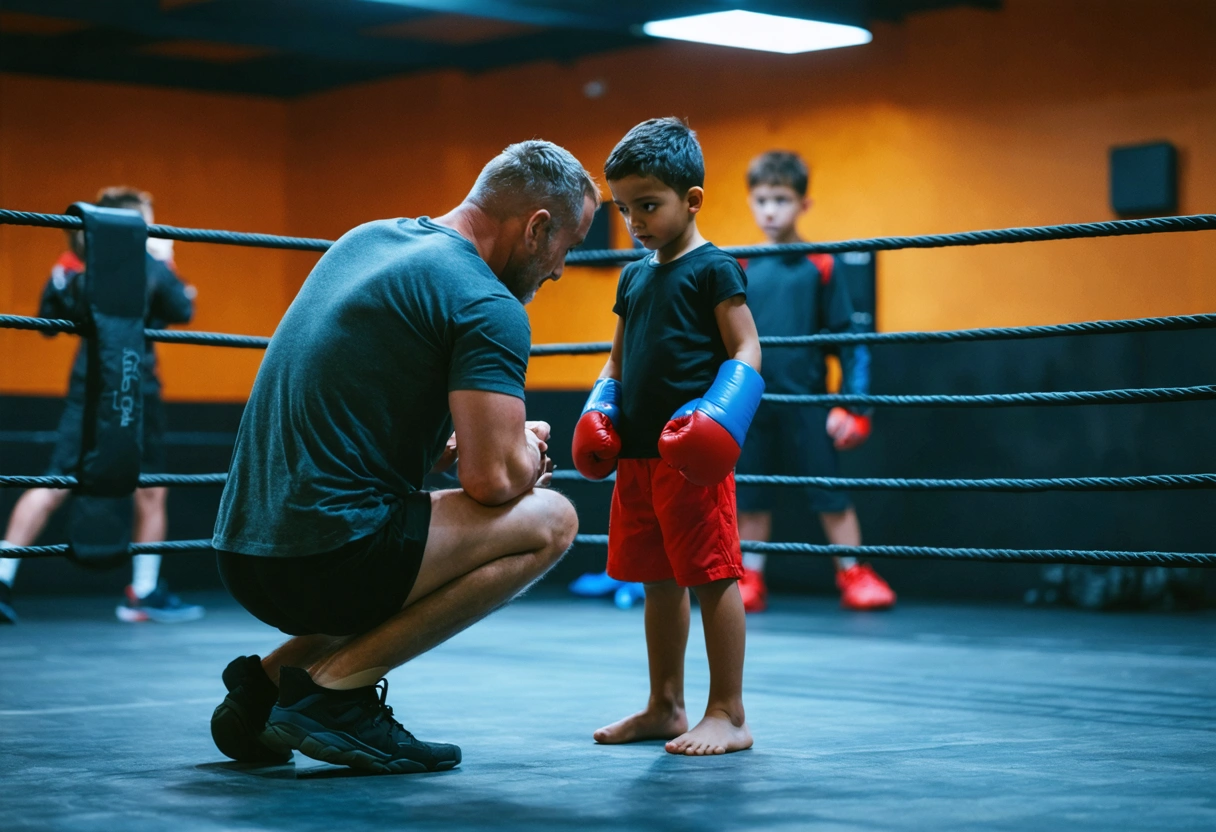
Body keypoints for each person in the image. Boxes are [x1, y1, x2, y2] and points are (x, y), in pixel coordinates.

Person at [209, 140, 596, 774]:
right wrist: (523, 449)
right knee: (551, 520)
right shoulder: (487, 302)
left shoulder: (367, 240)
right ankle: (335, 696)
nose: (559, 269)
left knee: (406, 523)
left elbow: (352, 404)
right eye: (567, 247)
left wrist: (454, 445)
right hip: (323, 557)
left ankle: (267, 689)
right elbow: (493, 480)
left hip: (241, 546)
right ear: (536, 228)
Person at [573, 118, 762, 756]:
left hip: (692, 459)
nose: (636, 221)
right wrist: (600, 410)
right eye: (625, 209)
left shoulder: (715, 269)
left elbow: (747, 348)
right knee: (656, 579)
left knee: (712, 576)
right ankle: (665, 705)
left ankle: (729, 713)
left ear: (693, 199)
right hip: (637, 457)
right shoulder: (632, 277)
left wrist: (719, 418)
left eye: (648, 205)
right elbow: (617, 363)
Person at [0, 187, 203, 625]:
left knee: (81, 482)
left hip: (99, 379)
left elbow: (50, 316)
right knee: (124, 485)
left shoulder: (79, 266)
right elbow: (183, 305)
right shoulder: (135, 263)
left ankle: (6, 579)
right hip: (132, 380)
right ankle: (142, 592)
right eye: (147, 224)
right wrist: (162, 262)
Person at [735, 151, 895, 613]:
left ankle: (853, 573)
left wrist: (854, 405)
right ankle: (751, 579)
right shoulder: (741, 267)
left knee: (830, 492)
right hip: (752, 405)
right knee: (752, 495)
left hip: (809, 402)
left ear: (803, 205)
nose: (770, 210)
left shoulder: (822, 266)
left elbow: (850, 340)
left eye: (781, 199)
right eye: (762, 199)